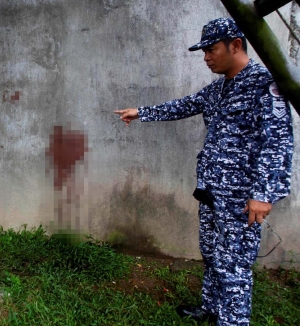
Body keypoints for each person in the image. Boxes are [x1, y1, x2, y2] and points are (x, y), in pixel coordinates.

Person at [115, 17, 294, 325]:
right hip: (212, 190)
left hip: (241, 198)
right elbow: (183, 105)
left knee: (234, 266)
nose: (206, 58)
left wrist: (263, 194)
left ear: (235, 45)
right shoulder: (219, 89)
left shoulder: (265, 86)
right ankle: (211, 309)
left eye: (211, 50)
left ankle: (232, 320)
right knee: (212, 254)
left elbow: (277, 143)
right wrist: (140, 112)